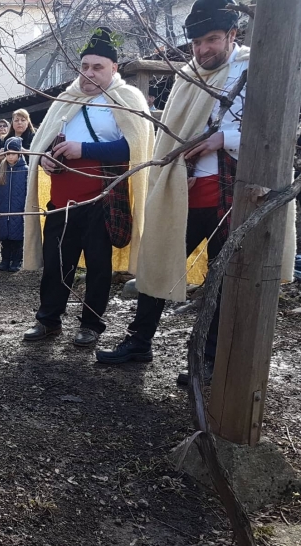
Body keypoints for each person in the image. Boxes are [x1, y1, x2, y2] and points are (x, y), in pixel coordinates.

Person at [96, 1, 294, 382]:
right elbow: (175, 134)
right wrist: (179, 166)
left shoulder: (254, 67)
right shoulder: (189, 75)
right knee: (158, 261)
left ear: (233, 35)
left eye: (213, 39)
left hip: (233, 194)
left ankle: (209, 359)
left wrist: (224, 138)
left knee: (221, 278)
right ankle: (139, 342)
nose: (204, 49)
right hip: (184, 192)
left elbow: (274, 128)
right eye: (197, 42)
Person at [21, 27, 154, 347]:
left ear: (114, 69)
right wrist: (44, 159)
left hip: (101, 201)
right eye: (85, 66)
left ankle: (91, 325)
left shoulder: (127, 99)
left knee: (98, 266)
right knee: (56, 264)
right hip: (61, 201)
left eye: (98, 67)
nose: (90, 73)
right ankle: (48, 320)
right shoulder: (68, 98)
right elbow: (43, 142)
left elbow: (134, 149)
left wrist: (84, 150)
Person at [0, 137, 28, 272]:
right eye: (7, 153)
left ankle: (16, 261)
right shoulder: (0, 170)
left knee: (18, 237)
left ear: (19, 153)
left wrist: (26, 208)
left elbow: (28, 191)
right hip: (3, 210)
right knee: (4, 237)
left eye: (13, 153)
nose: (10, 156)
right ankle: (5, 260)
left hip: (19, 211)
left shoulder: (25, 170)